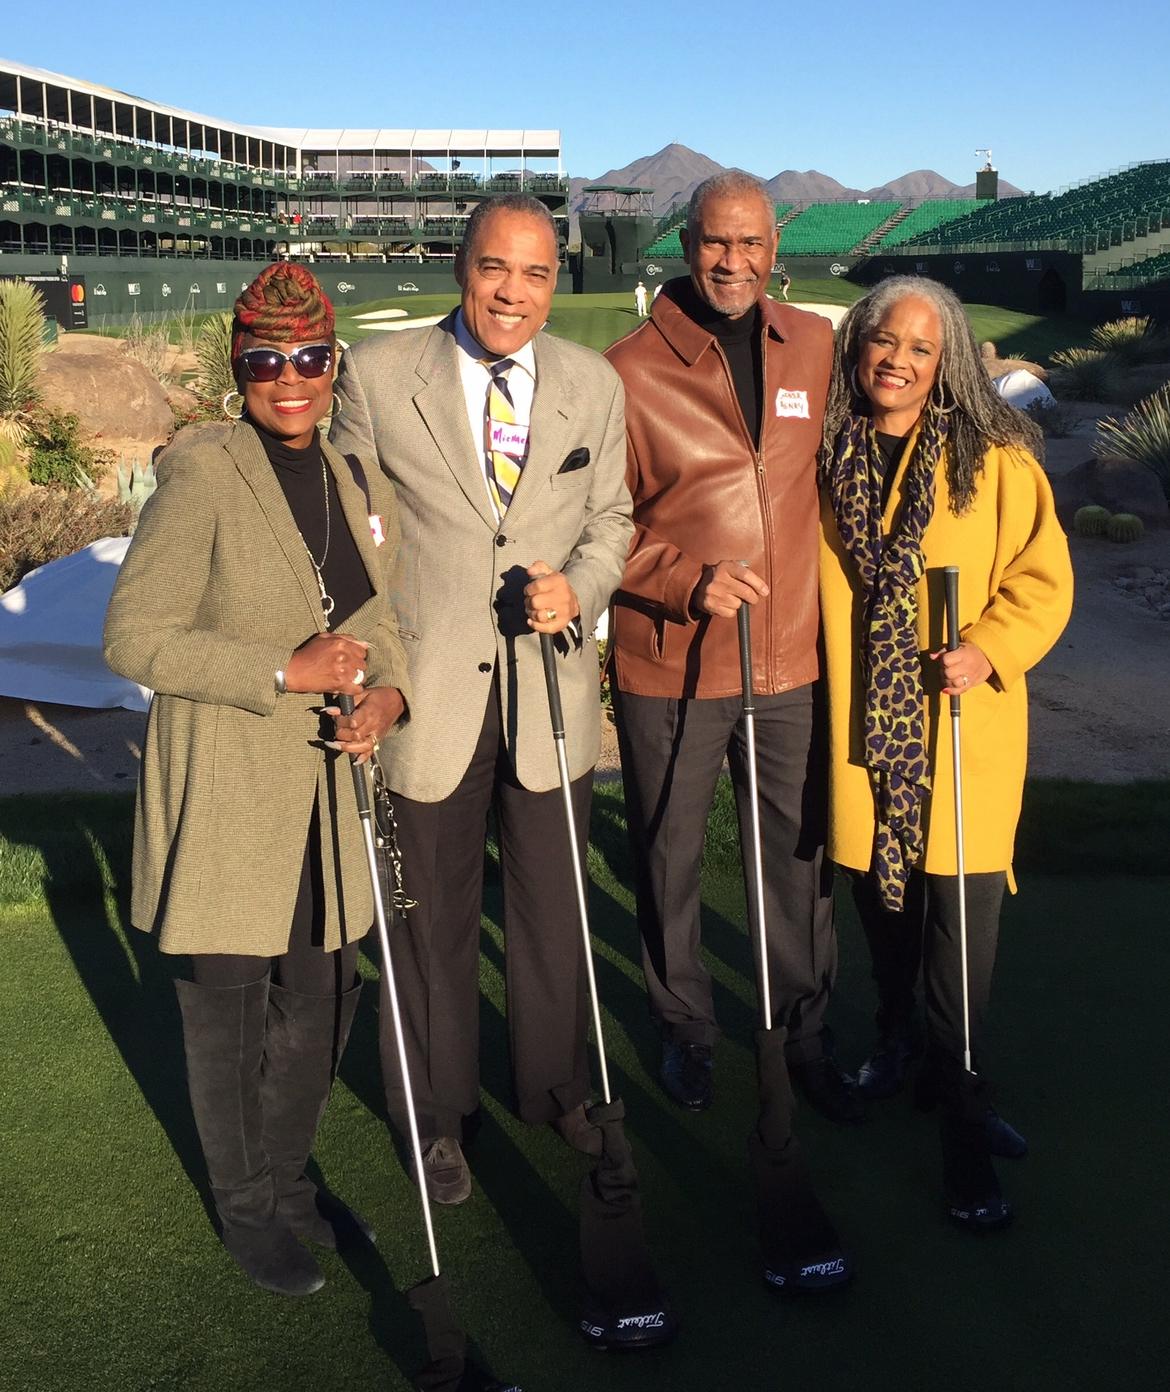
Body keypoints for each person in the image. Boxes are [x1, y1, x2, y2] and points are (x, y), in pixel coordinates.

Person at [104, 264, 412, 1295]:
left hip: (326, 796)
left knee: (323, 1000)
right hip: (228, 795)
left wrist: (389, 697)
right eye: (267, 360)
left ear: (334, 364)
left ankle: (286, 1182)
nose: (291, 379)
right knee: (229, 1017)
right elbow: (133, 638)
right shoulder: (203, 473)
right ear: (240, 366)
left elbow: (380, 623)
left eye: (311, 358)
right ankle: (246, 1209)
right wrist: (285, 670)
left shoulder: (355, 478)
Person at [329, 194, 632, 1204]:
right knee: (430, 927)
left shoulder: (592, 384)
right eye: (495, 267)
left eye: (536, 273)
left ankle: (555, 1088)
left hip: (550, 697)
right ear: (463, 266)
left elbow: (614, 521)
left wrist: (579, 589)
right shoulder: (378, 376)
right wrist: (373, 671)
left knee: (554, 914)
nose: (513, 292)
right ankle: (436, 1115)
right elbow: (352, 541)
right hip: (426, 697)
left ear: (555, 283)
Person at [819, 275, 1073, 1229]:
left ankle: (962, 1092)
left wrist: (990, 646)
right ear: (858, 344)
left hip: (962, 729)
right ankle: (899, 1043)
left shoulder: (995, 456)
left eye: (921, 348)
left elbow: (1043, 577)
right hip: (867, 736)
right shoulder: (826, 454)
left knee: (958, 936)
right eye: (884, 340)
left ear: (948, 361)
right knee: (884, 913)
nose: (897, 360)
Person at [604, 172, 856, 1125]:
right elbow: (593, 522)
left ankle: (804, 1035)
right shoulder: (628, 369)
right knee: (668, 856)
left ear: (775, 248)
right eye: (716, 241)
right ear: (685, 244)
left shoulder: (816, 345)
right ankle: (687, 1028)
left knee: (797, 862)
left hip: (791, 657)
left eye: (751, 243)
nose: (733, 261)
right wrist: (682, 578)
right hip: (672, 658)